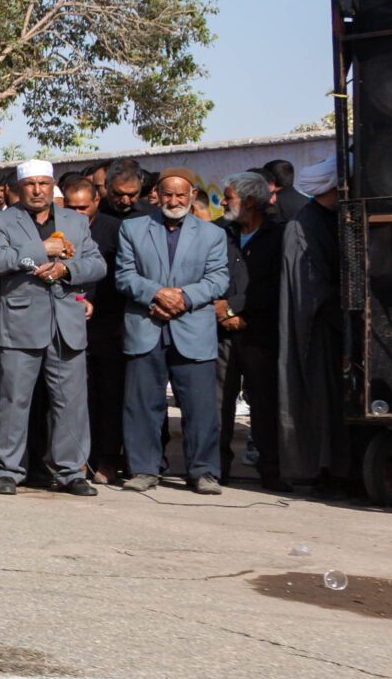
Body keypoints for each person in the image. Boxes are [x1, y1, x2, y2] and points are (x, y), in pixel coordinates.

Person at [0, 159, 107, 496]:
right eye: (30, 184)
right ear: (18, 188)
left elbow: (97, 264)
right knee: (13, 400)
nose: (38, 190)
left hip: (66, 321)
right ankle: (8, 470)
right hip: (21, 321)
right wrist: (42, 250)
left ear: (53, 186)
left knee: (71, 402)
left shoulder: (76, 222)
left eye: (43, 184)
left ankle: (70, 471)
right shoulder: (0, 220)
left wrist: (66, 271)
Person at [115, 169, 233, 494]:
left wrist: (184, 298)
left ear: (192, 194)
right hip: (146, 326)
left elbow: (219, 279)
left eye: (181, 195)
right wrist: (155, 293)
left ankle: (203, 471)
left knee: (201, 407)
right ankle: (143, 469)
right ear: (157, 194)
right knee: (143, 405)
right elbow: (124, 275)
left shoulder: (212, 235)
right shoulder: (133, 229)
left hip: (192, 328)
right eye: (168, 194)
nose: (174, 200)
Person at [275, 155, 345, 494]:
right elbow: (311, 288)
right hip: (316, 332)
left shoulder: (331, 219)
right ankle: (324, 470)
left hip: (332, 326)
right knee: (320, 400)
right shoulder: (302, 226)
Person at [222, 172, 284, 489]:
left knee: (264, 405)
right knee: (219, 404)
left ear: (248, 201)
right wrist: (222, 311)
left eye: (228, 197)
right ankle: (214, 469)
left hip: (260, 335)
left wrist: (235, 308)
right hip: (221, 335)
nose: (222, 202)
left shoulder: (280, 236)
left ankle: (271, 472)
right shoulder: (220, 234)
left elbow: (276, 286)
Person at [83, 158, 144, 483]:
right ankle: (82, 458)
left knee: (113, 396)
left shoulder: (146, 218)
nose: (126, 201)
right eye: (119, 194)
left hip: (119, 322)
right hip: (82, 320)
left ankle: (111, 459)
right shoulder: (95, 220)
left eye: (132, 195)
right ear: (104, 192)